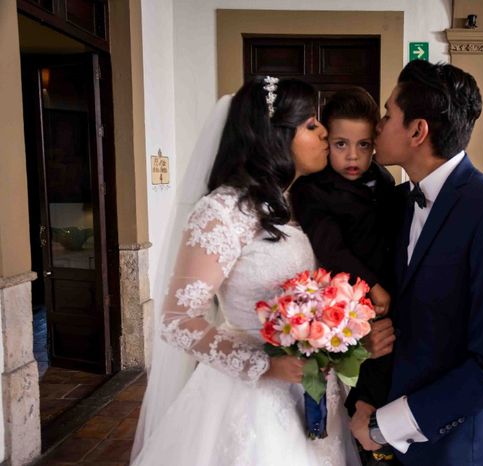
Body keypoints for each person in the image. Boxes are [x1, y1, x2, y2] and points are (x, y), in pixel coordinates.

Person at [130, 76, 361, 466]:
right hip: (249, 397)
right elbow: (176, 319)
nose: (325, 132)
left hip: (304, 385)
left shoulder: (284, 204)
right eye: (311, 124)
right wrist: (265, 366)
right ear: (275, 136)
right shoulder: (223, 211)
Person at [350, 60, 483, 466]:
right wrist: (366, 398)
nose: (377, 126)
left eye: (388, 115)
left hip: (451, 451)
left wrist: (385, 427)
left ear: (417, 131)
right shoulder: (398, 203)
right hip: (378, 431)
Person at [289, 88, 398, 466]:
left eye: (363, 145)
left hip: (391, 292)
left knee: (386, 379)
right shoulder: (311, 190)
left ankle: (377, 440)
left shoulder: (383, 178)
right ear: (326, 141)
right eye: (340, 144)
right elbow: (332, 249)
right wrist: (373, 286)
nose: (353, 156)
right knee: (364, 383)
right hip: (351, 298)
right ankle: (365, 442)